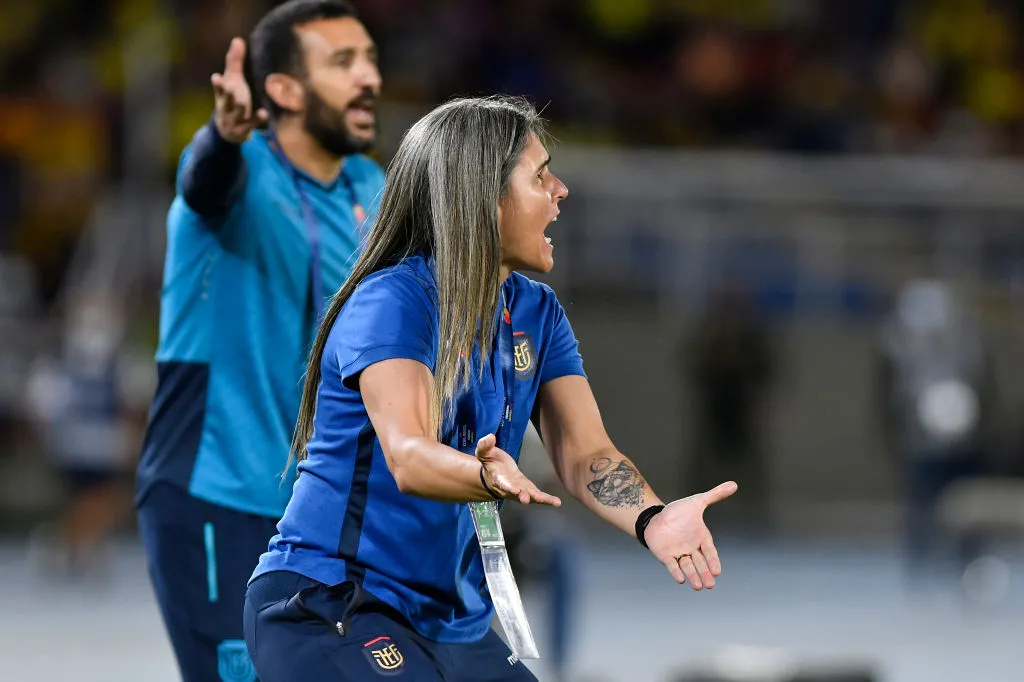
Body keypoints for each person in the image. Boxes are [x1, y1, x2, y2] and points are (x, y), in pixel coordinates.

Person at [243, 95, 738, 682]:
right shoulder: (394, 302)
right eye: (540, 175)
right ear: (483, 198)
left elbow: (586, 455)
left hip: (452, 623)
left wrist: (652, 518)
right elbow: (408, 454)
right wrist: (482, 477)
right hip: (334, 602)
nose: (561, 191)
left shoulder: (536, 311)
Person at [135, 2, 385, 680]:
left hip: (324, 512)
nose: (370, 77)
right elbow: (205, 182)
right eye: (343, 62)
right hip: (218, 491)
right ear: (283, 90)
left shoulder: (372, 188)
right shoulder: (239, 168)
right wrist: (223, 134)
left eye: (369, 58)